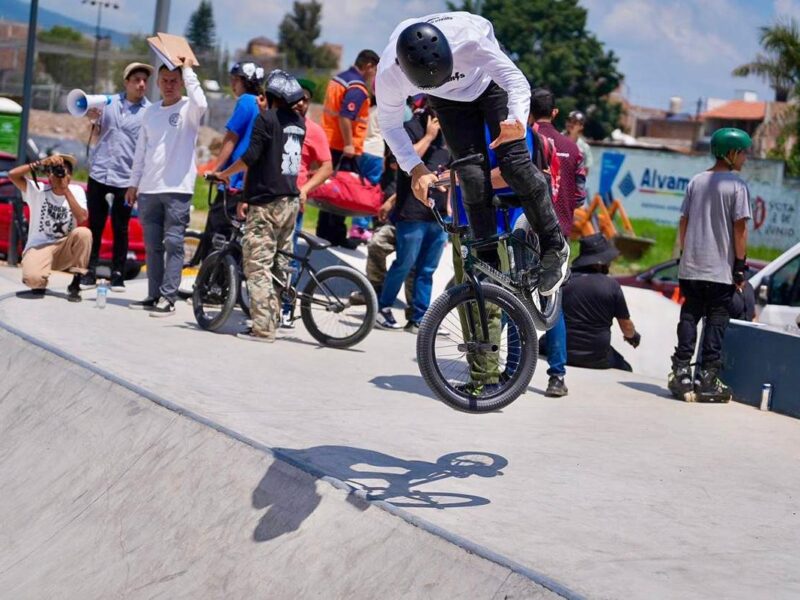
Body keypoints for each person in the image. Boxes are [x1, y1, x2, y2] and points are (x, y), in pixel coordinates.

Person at [376, 12, 569, 302]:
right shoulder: (389, 73)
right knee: (470, 175)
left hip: (490, 83)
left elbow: (516, 82)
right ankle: (488, 258)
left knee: (513, 163)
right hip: (448, 103)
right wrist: (415, 169)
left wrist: (516, 122)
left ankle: (554, 245)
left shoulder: (469, 40)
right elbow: (389, 125)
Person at [213, 70, 306, 343]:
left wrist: (225, 173)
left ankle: (263, 328)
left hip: (267, 203)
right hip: (289, 200)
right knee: (279, 264)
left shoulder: (266, 119)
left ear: (272, 96)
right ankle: (272, 319)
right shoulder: (299, 123)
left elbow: (251, 157)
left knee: (257, 265)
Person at [668, 128, 752, 402]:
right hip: (719, 270)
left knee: (690, 315)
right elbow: (740, 230)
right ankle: (707, 379)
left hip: (691, 266)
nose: (745, 158)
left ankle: (681, 374)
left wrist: (686, 252)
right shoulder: (737, 187)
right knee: (716, 320)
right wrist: (740, 265)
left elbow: (684, 221)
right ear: (730, 153)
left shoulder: (696, 181)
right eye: (743, 153)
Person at [125, 60, 208, 316]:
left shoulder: (190, 108)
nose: (169, 86)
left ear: (181, 82)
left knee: (173, 243)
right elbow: (141, 151)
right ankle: (154, 294)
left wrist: (189, 69)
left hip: (177, 189)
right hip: (149, 188)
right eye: (165, 81)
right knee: (152, 246)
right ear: (158, 83)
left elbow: (203, 102)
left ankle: (169, 297)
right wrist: (133, 183)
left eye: (174, 81)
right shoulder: (150, 112)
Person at [529, 88, 587, 397]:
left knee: (517, 298)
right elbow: (579, 195)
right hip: (559, 234)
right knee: (553, 304)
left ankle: (513, 369)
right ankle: (557, 377)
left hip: (524, 231)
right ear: (555, 113)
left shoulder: (522, 141)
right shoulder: (572, 149)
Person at [375, 107, 449, 332]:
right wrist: (428, 137)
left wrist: (448, 181)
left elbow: (449, 169)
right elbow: (401, 162)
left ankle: (419, 317)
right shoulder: (411, 129)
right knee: (404, 263)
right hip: (412, 212)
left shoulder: (449, 136)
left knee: (427, 269)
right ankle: (383, 308)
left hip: (438, 215)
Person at [81, 62, 153, 291]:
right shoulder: (108, 103)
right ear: (126, 82)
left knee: (121, 226)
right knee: (96, 224)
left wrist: (140, 181)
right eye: (136, 80)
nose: (141, 84)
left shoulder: (149, 112)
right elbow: (96, 130)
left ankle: (118, 274)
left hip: (126, 178)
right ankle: (89, 271)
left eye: (144, 80)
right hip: (100, 172)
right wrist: (91, 118)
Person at [279, 77, 333, 328]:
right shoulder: (276, 122)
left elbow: (326, 167)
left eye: (306, 100)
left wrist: (306, 189)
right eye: (296, 98)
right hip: (269, 197)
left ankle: (286, 307)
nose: (300, 104)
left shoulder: (314, 130)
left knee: (289, 256)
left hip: (294, 202)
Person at [200, 61, 265, 259]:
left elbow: (231, 138)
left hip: (233, 180)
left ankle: (209, 280)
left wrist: (216, 169)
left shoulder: (246, 101)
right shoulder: (263, 104)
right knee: (236, 236)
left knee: (216, 232)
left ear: (241, 81)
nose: (232, 84)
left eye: (234, 80)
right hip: (250, 179)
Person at [317, 49, 380, 246]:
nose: (374, 74)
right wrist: (349, 144)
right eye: (375, 70)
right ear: (369, 65)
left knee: (328, 188)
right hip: (342, 147)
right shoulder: (357, 87)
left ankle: (323, 230)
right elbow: (346, 116)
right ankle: (334, 235)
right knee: (341, 192)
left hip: (329, 140)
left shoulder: (339, 79)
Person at [8, 154, 91, 302]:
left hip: (64, 248)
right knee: (33, 281)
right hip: (39, 247)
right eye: (54, 171)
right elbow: (12, 175)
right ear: (48, 175)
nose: (58, 175)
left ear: (70, 176)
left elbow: (82, 217)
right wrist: (40, 162)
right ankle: (40, 277)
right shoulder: (38, 189)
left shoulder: (76, 191)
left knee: (84, 233)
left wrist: (65, 190)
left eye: (62, 171)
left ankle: (76, 282)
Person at [561, 234, 640, 371]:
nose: (609, 263)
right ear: (599, 262)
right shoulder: (612, 286)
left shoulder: (565, 281)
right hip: (597, 358)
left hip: (561, 352)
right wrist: (634, 336)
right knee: (627, 369)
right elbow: (626, 328)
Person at [564, 110, 593, 178]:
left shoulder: (584, 147)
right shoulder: (556, 140)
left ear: (581, 126)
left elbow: (585, 171)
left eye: (574, 122)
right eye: (568, 120)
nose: (570, 124)